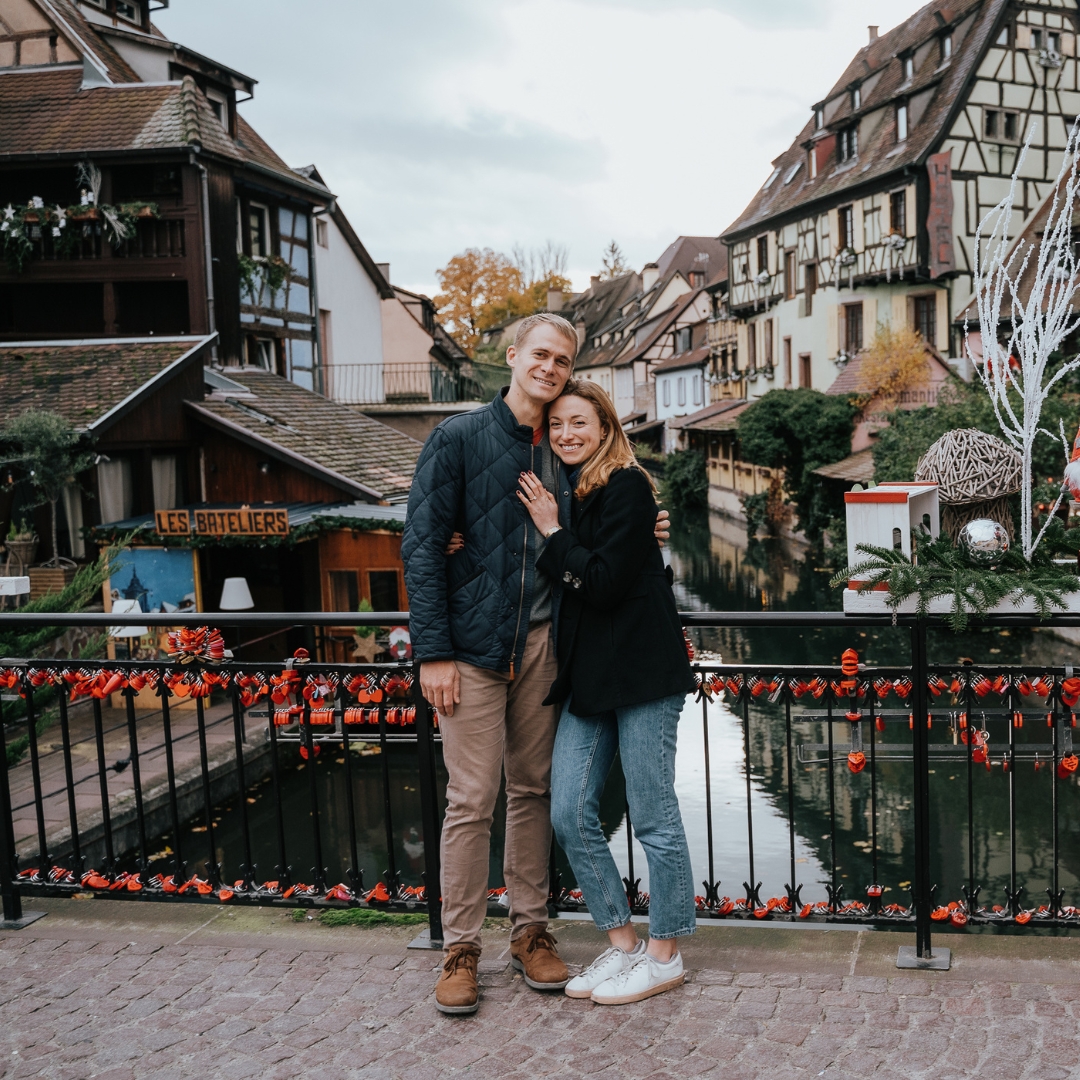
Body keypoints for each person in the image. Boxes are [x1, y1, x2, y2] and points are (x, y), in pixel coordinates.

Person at [402, 313, 669, 1015]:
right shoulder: (458, 437)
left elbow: (614, 514)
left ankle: (530, 934)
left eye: (563, 359)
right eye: (541, 355)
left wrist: (650, 523)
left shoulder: (564, 445)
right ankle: (460, 949)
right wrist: (432, 651)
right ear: (513, 355)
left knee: (533, 793)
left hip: (548, 645)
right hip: (472, 648)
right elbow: (423, 547)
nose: (550, 368)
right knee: (469, 800)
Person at [517, 378, 697, 1006]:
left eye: (580, 424)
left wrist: (549, 530)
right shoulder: (576, 489)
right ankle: (623, 945)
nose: (568, 434)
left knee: (652, 814)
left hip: (644, 672)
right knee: (568, 809)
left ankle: (666, 952)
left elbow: (602, 581)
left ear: (606, 428)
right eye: (558, 424)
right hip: (590, 677)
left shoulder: (626, 485)